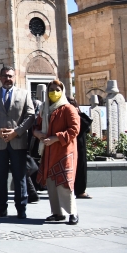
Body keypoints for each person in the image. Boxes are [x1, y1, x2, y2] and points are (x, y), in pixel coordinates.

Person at [0, 66, 35, 219]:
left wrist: (16, 132)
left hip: (18, 142)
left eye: (10, 76)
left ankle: (21, 209)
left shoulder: (24, 94)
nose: (8, 79)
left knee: (19, 177)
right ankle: (1, 209)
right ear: (0, 78)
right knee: (0, 177)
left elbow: (30, 116)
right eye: (5, 76)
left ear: (14, 77)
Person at [34, 80, 80, 224]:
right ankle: (57, 213)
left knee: (65, 182)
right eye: (51, 90)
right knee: (51, 183)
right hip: (48, 152)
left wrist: (56, 138)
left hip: (64, 151)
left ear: (62, 91)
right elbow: (37, 126)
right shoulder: (44, 108)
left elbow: (74, 129)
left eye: (57, 90)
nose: (54, 92)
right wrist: (38, 134)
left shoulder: (68, 108)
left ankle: (72, 212)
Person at [73, 97, 92, 199]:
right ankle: (79, 191)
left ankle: (80, 191)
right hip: (72, 144)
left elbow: (86, 127)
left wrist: (78, 113)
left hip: (79, 144)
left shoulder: (77, 115)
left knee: (80, 166)